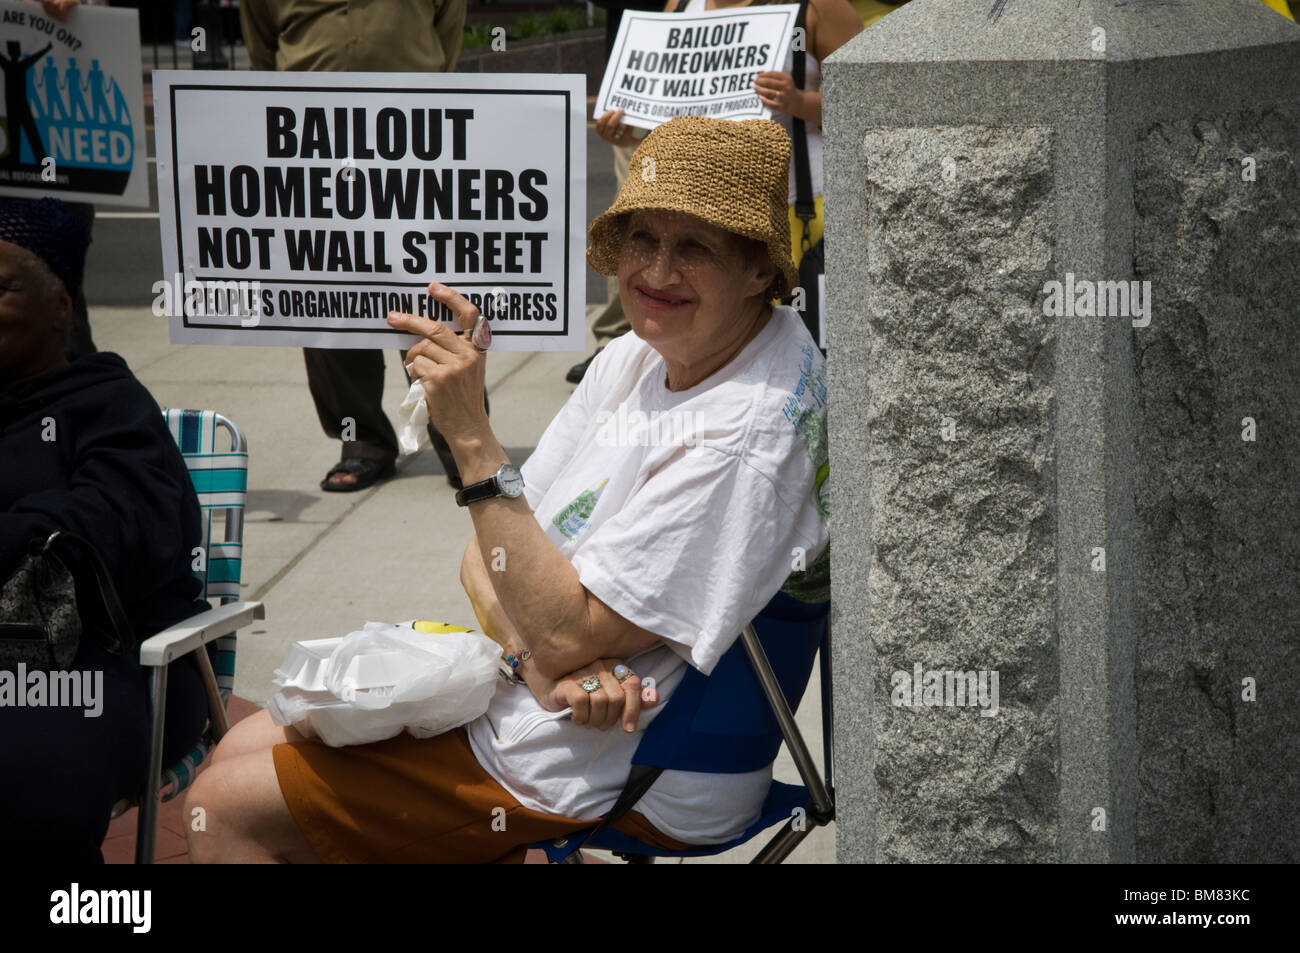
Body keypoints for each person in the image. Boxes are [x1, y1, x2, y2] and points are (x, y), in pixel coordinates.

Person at [185, 116, 830, 863]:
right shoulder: (647, 351)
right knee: (239, 745)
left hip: (645, 762)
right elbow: (486, 559)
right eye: (642, 238)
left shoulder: (741, 432)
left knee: (219, 808)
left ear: (759, 272)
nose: (655, 270)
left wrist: (470, 436)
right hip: (561, 705)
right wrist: (547, 659)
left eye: (694, 246)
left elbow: (543, 597)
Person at [0, 198, 209, 861]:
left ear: (61, 306)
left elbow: (127, 525)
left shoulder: (106, 404)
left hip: (103, 659)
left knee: (28, 784)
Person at [239, 0, 473, 491]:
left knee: (428, 291)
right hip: (310, 141)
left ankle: (461, 437)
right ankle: (362, 440)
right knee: (328, 293)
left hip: (412, 135)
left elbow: (448, 35)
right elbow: (262, 45)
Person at [595, 0, 861, 343]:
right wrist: (628, 132)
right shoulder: (680, 6)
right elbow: (671, 111)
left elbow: (872, 101)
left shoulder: (817, 7)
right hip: (699, 220)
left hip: (798, 210)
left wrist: (799, 102)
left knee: (806, 343)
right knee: (712, 346)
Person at [568, 0, 665, 385]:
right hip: (638, 97)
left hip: (716, 108)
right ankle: (615, 343)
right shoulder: (678, 7)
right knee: (633, 215)